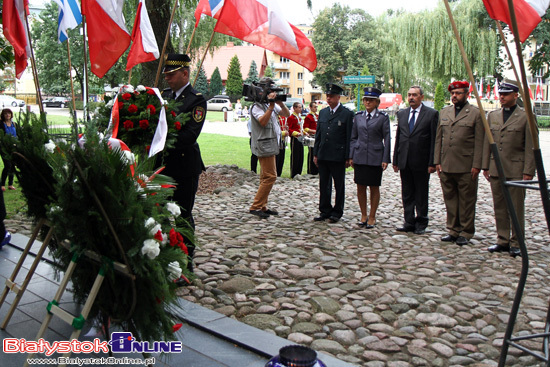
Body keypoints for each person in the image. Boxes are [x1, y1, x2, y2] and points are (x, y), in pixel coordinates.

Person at [161, 53, 206, 269]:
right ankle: (162, 256)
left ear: (184, 73)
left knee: (182, 215)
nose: (167, 78)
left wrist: (161, 138)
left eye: (171, 74)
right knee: (159, 212)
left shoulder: (196, 99)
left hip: (184, 167)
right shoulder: (164, 95)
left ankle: (185, 264)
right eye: (166, 74)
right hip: (162, 166)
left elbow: (189, 136)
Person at [482, 82, 535, 257]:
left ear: (515, 95)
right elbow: (487, 143)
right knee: (500, 207)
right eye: (501, 94)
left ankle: (517, 241)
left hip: (516, 170)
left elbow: (530, 146)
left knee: (516, 208)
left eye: (506, 94)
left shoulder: (526, 116)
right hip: (497, 169)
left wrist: (528, 171)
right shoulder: (493, 116)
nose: (502, 97)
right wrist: (485, 166)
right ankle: (502, 239)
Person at [434, 81, 484, 246]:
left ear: (466, 94)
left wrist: (477, 164)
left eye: (458, 93)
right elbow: (439, 139)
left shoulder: (476, 113)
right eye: (453, 93)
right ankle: (453, 230)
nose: (454, 96)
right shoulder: (445, 112)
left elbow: (479, 141)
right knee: (450, 199)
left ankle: (466, 231)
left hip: (466, 165)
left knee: (467, 200)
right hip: (446, 164)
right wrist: (437, 161)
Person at [393, 86, 439, 234]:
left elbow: (434, 140)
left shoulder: (431, 114)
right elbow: (399, 138)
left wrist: (432, 162)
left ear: (421, 97)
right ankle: (409, 221)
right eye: (409, 95)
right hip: (405, 160)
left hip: (422, 161)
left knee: (421, 193)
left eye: (414, 95)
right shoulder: (402, 114)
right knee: (407, 193)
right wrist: (395, 160)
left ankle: (421, 222)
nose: (411, 97)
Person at [249, 77, 290, 218]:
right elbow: (263, 122)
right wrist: (272, 106)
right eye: (271, 91)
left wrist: (280, 104)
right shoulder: (256, 107)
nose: (273, 93)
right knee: (271, 176)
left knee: (265, 176)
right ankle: (255, 206)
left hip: (270, 143)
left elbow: (287, 114)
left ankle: (262, 206)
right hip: (264, 145)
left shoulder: (269, 104)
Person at [350, 87, 391, 228]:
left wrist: (386, 158)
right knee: (360, 186)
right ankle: (363, 214)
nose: (367, 102)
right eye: (366, 100)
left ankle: (372, 216)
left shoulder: (382, 118)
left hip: (375, 156)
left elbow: (387, 138)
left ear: (376, 102)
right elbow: (353, 137)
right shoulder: (358, 116)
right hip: (360, 155)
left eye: (371, 100)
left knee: (374, 187)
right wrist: (351, 155)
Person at [313, 83, 354, 223]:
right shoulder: (323, 112)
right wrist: (316, 153)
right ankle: (325, 210)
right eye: (327, 96)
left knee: (339, 185)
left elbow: (349, 136)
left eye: (331, 96)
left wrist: (349, 156)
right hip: (323, 154)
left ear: (338, 97)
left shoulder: (347, 114)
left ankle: (337, 211)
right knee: (324, 184)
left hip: (338, 155)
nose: (328, 99)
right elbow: (319, 134)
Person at [0, 108, 17, 191]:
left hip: (13, 147)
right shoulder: (1, 124)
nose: (7, 115)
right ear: (3, 115)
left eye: (9, 113)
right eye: (5, 113)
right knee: (7, 165)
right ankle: (2, 184)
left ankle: (10, 184)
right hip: (4, 147)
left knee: (12, 166)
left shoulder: (14, 124)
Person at [287, 102, 304, 178]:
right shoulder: (291, 117)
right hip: (295, 138)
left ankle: (299, 172)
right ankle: (294, 173)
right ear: (295, 108)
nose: (301, 109)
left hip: (301, 138)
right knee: (295, 156)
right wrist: (296, 133)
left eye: (301, 107)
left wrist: (304, 132)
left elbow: (300, 127)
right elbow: (289, 129)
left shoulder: (299, 117)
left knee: (301, 155)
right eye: (299, 107)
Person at [303, 101, 319, 175]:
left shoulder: (318, 116)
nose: (316, 108)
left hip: (318, 137)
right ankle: (311, 170)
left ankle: (317, 169)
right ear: (311, 107)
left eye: (316, 107)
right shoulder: (308, 117)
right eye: (314, 107)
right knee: (312, 153)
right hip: (312, 137)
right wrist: (314, 131)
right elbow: (305, 128)